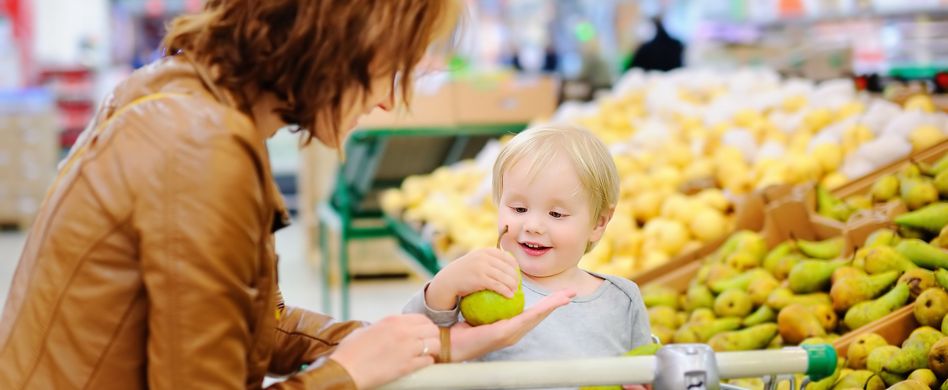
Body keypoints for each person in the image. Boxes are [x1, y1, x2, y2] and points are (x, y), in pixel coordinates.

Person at [0, 1, 573, 389]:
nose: (390, 100)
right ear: (339, 37)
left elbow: (240, 322)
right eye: (396, 62)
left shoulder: (182, 98)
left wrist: (424, 342)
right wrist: (346, 373)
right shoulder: (201, 149)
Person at [404, 125, 652, 386]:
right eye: (519, 208)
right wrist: (444, 287)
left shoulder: (622, 300)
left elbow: (646, 369)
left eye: (556, 214)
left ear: (598, 223)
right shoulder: (483, 285)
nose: (532, 225)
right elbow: (408, 345)